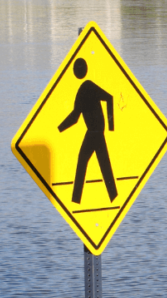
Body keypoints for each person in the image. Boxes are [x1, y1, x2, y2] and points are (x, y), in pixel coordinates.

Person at [58, 58, 117, 204]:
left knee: (89, 162)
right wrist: (59, 129)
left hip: (95, 132)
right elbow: (75, 117)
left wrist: (111, 126)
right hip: (93, 132)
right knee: (100, 164)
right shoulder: (81, 92)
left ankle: (77, 200)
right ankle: (112, 197)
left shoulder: (88, 87)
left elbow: (109, 97)